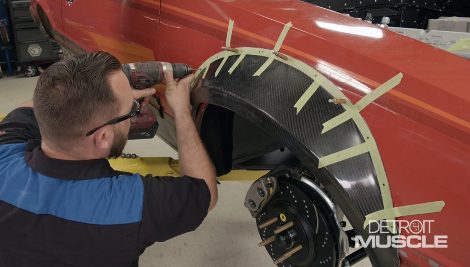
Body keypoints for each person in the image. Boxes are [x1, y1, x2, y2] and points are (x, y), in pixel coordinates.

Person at [0, 51, 218, 267]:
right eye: (130, 110)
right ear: (103, 138)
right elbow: (203, 190)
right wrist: (181, 110)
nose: (134, 109)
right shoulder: (129, 203)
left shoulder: (4, 161)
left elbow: (31, 109)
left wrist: (105, 91)